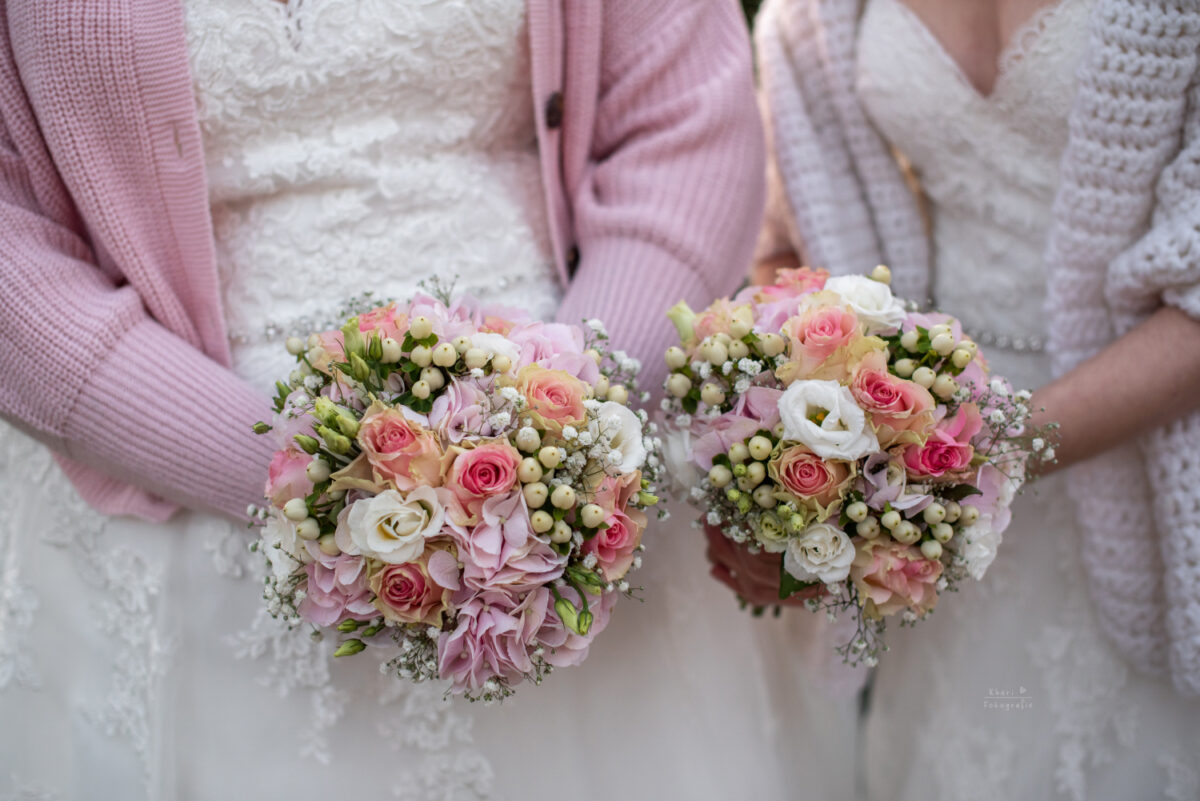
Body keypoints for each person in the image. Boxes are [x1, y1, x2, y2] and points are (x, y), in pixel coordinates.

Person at [0, 2, 800, 799]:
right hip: (174, 479)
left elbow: (683, 126)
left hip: (561, 495)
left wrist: (571, 433)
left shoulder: (568, 453)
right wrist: (296, 480)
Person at [718, 0, 1200, 797]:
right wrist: (795, 451)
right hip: (928, 472)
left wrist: (961, 459)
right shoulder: (815, 18)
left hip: (1141, 432)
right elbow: (786, 244)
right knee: (971, 733)